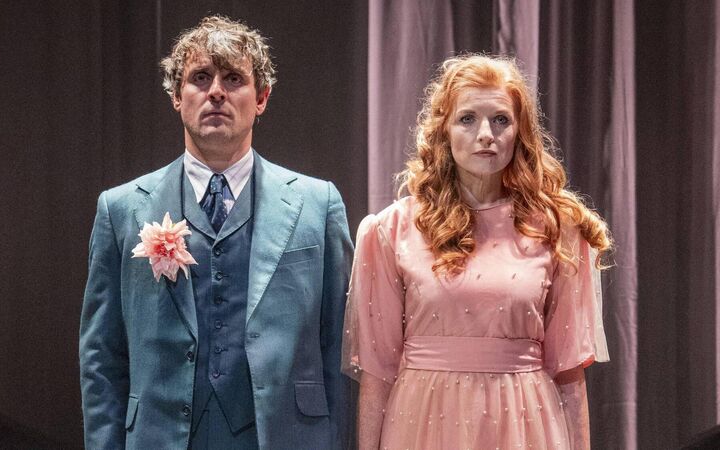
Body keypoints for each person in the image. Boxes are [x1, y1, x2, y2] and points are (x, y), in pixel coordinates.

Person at [79, 16, 352, 450]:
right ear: (176, 96)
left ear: (261, 98)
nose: (217, 92)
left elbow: (339, 345)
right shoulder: (121, 209)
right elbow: (102, 356)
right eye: (201, 78)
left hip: (284, 435)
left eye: (234, 79)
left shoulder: (318, 205)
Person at [343, 54, 612, 449]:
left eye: (501, 120)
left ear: (520, 132)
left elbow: (569, 374)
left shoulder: (558, 229)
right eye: (467, 119)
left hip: (525, 427)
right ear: (444, 130)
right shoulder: (390, 230)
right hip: (422, 426)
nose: (486, 134)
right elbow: (377, 374)